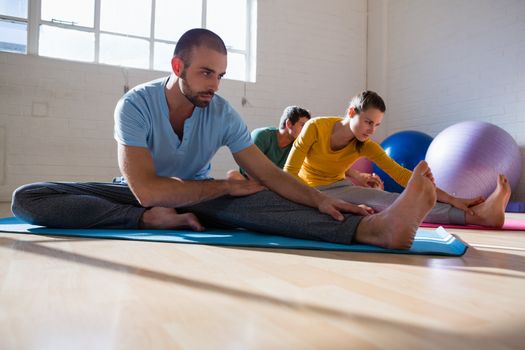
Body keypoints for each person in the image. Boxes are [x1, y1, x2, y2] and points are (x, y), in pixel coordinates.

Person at [11, 28, 439, 249]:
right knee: (29, 198)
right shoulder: (136, 105)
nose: (214, 85)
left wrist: (319, 198)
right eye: (205, 73)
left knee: (262, 199)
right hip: (135, 196)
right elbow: (145, 190)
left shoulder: (221, 113)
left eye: (219, 75)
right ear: (178, 65)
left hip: (198, 198)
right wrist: (148, 214)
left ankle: (373, 230)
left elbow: (270, 173)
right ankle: (150, 223)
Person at [284, 90, 511, 228]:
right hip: (309, 190)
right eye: (368, 122)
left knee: (395, 201)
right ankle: (479, 216)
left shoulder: (365, 144)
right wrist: (307, 200)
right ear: (351, 112)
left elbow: (403, 177)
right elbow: (290, 171)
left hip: (341, 188)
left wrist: (453, 199)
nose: (372, 130)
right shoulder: (316, 127)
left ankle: (477, 217)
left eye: (377, 124)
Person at [227, 106, 311, 180]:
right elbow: (250, 170)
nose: (306, 130)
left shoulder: (298, 145)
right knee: (233, 175)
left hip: (276, 185)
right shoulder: (262, 135)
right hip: (252, 180)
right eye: (303, 125)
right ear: (289, 124)